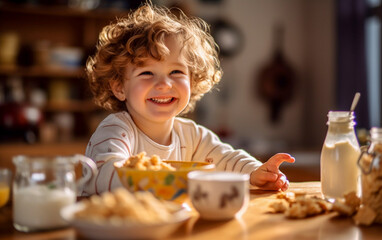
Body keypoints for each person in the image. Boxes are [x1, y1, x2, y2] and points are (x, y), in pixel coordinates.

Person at [80, 2, 295, 196]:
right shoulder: (116, 130)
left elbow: (227, 159)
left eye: (176, 72)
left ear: (192, 81)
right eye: (146, 73)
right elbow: (104, 174)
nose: (164, 84)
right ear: (119, 87)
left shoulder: (192, 135)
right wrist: (162, 181)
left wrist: (256, 172)